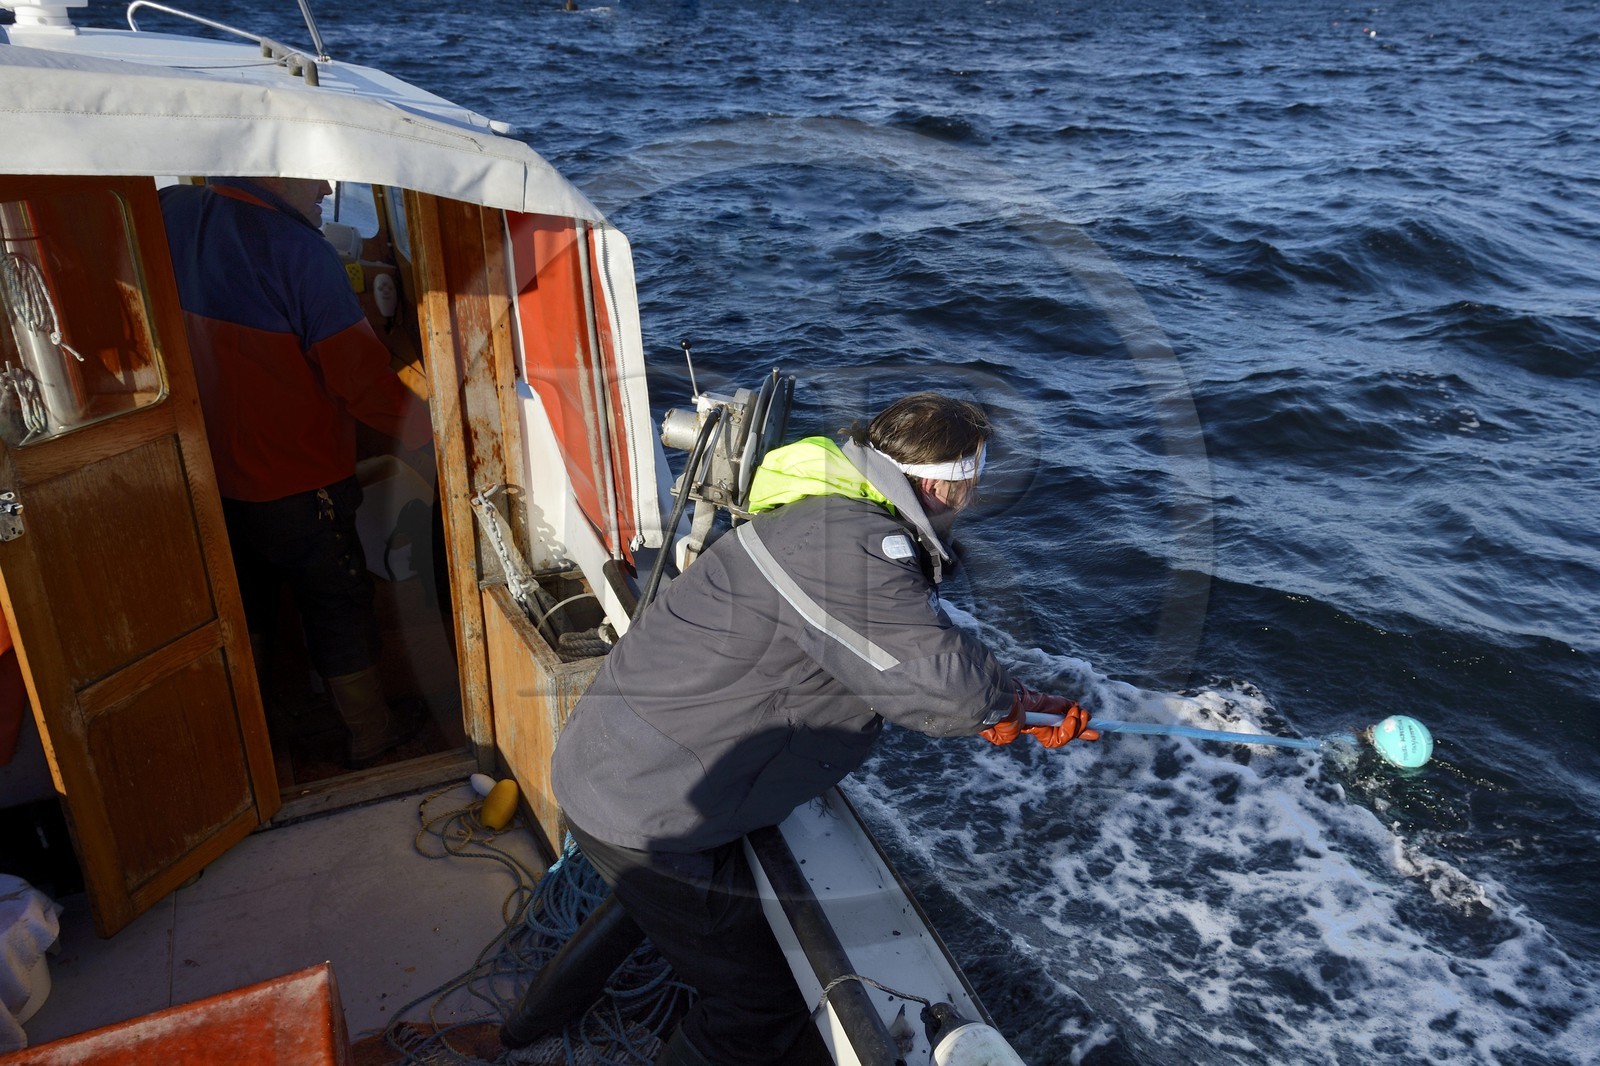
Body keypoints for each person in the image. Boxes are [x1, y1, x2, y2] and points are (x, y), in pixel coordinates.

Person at [551, 392, 1099, 1066]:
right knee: (761, 1001)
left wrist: (1013, 702)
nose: (971, 501)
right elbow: (946, 685)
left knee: (722, 939)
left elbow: (877, 644)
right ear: (939, 486)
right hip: (646, 806)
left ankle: (525, 1029)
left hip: (626, 766)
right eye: (971, 486)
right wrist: (997, 708)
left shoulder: (825, 516)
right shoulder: (849, 544)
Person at [160, 176, 432, 769]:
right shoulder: (300, 250)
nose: (327, 183)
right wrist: (440, 433)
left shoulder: (173, 210)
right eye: (310, 166)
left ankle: (260, 743)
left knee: (246, 605)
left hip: (210, 476)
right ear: (271, 167)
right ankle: (371, 736)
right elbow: (362, 385)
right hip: (300, 482)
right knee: (337, 606)